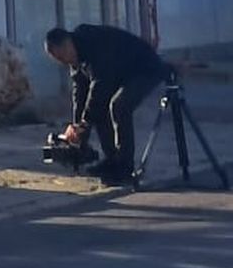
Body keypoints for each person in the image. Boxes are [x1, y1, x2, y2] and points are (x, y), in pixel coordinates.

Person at [44, 20, 168, 187]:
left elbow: (100, 85)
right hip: (119, 74)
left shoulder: (93, 43)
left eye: (61, 57)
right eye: (58, 60)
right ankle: (112, 161)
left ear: (67, 44)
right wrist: (77, 129)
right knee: (100, 109)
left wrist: (84, 123)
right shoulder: (76, 57)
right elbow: (79, 93)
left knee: (119, 106)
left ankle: (124, 167)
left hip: (144, 68)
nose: (63, 62)